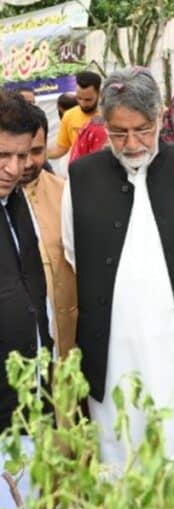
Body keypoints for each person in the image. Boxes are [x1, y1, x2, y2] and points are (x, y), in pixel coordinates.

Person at [61, 67, 174, 466]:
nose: (132, 143)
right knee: (121, 435)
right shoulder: (82, 175)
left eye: (142, 130)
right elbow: (73, 252)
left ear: (160, 117)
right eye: (118, 132)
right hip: (114, 339)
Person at [0, 90, 47, 509]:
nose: (14, 169)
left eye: (21, 155)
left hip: (27, 397)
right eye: (2, 156)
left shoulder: (17, 202)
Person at [20, 106, 76, 358]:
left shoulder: (66, 194)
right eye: (20, 153)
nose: (29, 163)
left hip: (66, 345)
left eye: (37, 151)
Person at [48, 71, 101, 159]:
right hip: (79, 170)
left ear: (99, 94)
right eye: (79, 98)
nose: (83, 103)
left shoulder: (111, 116)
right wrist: (38, 154)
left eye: (88, 100)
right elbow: (61, 148)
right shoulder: (69, 116)